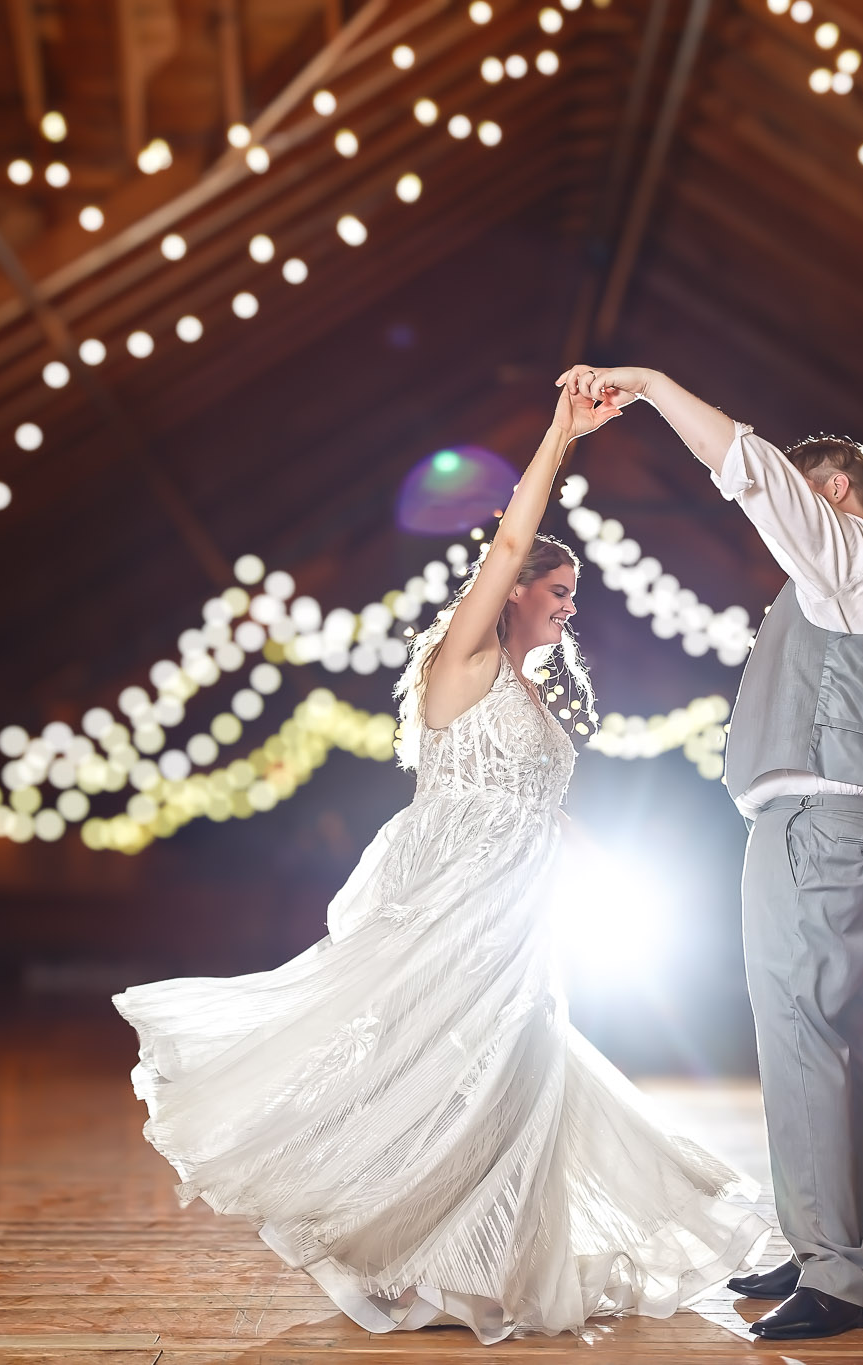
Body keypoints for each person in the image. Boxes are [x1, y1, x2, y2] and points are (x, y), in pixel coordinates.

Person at [113, 380, 769, 1344]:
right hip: (452, 901)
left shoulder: (535, 695)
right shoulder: (462, 663)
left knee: (517, 1077)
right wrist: (560, 437)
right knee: (436, 1070)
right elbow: (510, 541)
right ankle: (409, 1250)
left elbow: (544, 806)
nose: (569, 606)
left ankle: (487, 1260)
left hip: (521, 914)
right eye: (558, 590)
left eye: (571, 595)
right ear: (510, 592)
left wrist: (602, 866)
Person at [561, 363, 863, 1342]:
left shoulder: (848, 560)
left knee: (806, 1032)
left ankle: (837, 1274)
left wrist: (649, 385)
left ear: (835, 494)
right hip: (822, 823)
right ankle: (823, 1246)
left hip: (821, 824)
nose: (781, 522)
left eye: (803, 498)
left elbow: (748, 469)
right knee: (827, 1040)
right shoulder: (832, 587)